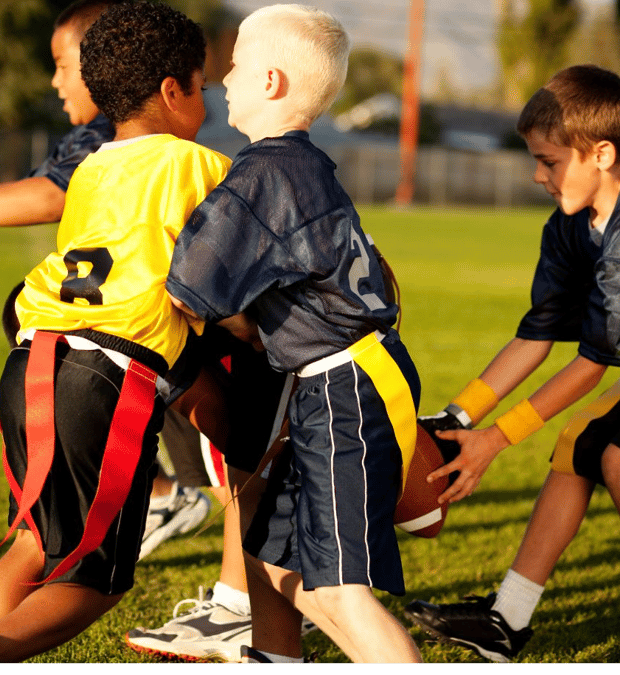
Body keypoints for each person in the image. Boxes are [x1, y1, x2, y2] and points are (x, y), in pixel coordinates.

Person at [0, 2, 232, 663]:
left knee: (35, 542)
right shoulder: (200, 165)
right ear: (172, 91)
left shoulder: (91, 168)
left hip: (30, 356)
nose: (208, 100)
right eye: (201, 85)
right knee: (94, 580)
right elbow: (217, 277)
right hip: (107, 376)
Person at [403, 65, 620, 664]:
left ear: (602, 154)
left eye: (549, 161)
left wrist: (496, 440)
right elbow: (537, 335)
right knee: (578, 447)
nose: (538, 175)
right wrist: (457, 416)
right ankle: (507, 621)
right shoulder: (571, 225)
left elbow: (591, 366)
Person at [166, 4, 425, 664]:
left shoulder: (265, 171)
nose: (223, 79)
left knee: (340, 594)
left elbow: (188, 288)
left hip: (345, 387)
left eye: (236, 65)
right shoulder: (300, 163)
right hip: (342, 377)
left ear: (272, 81)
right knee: (267, 555)